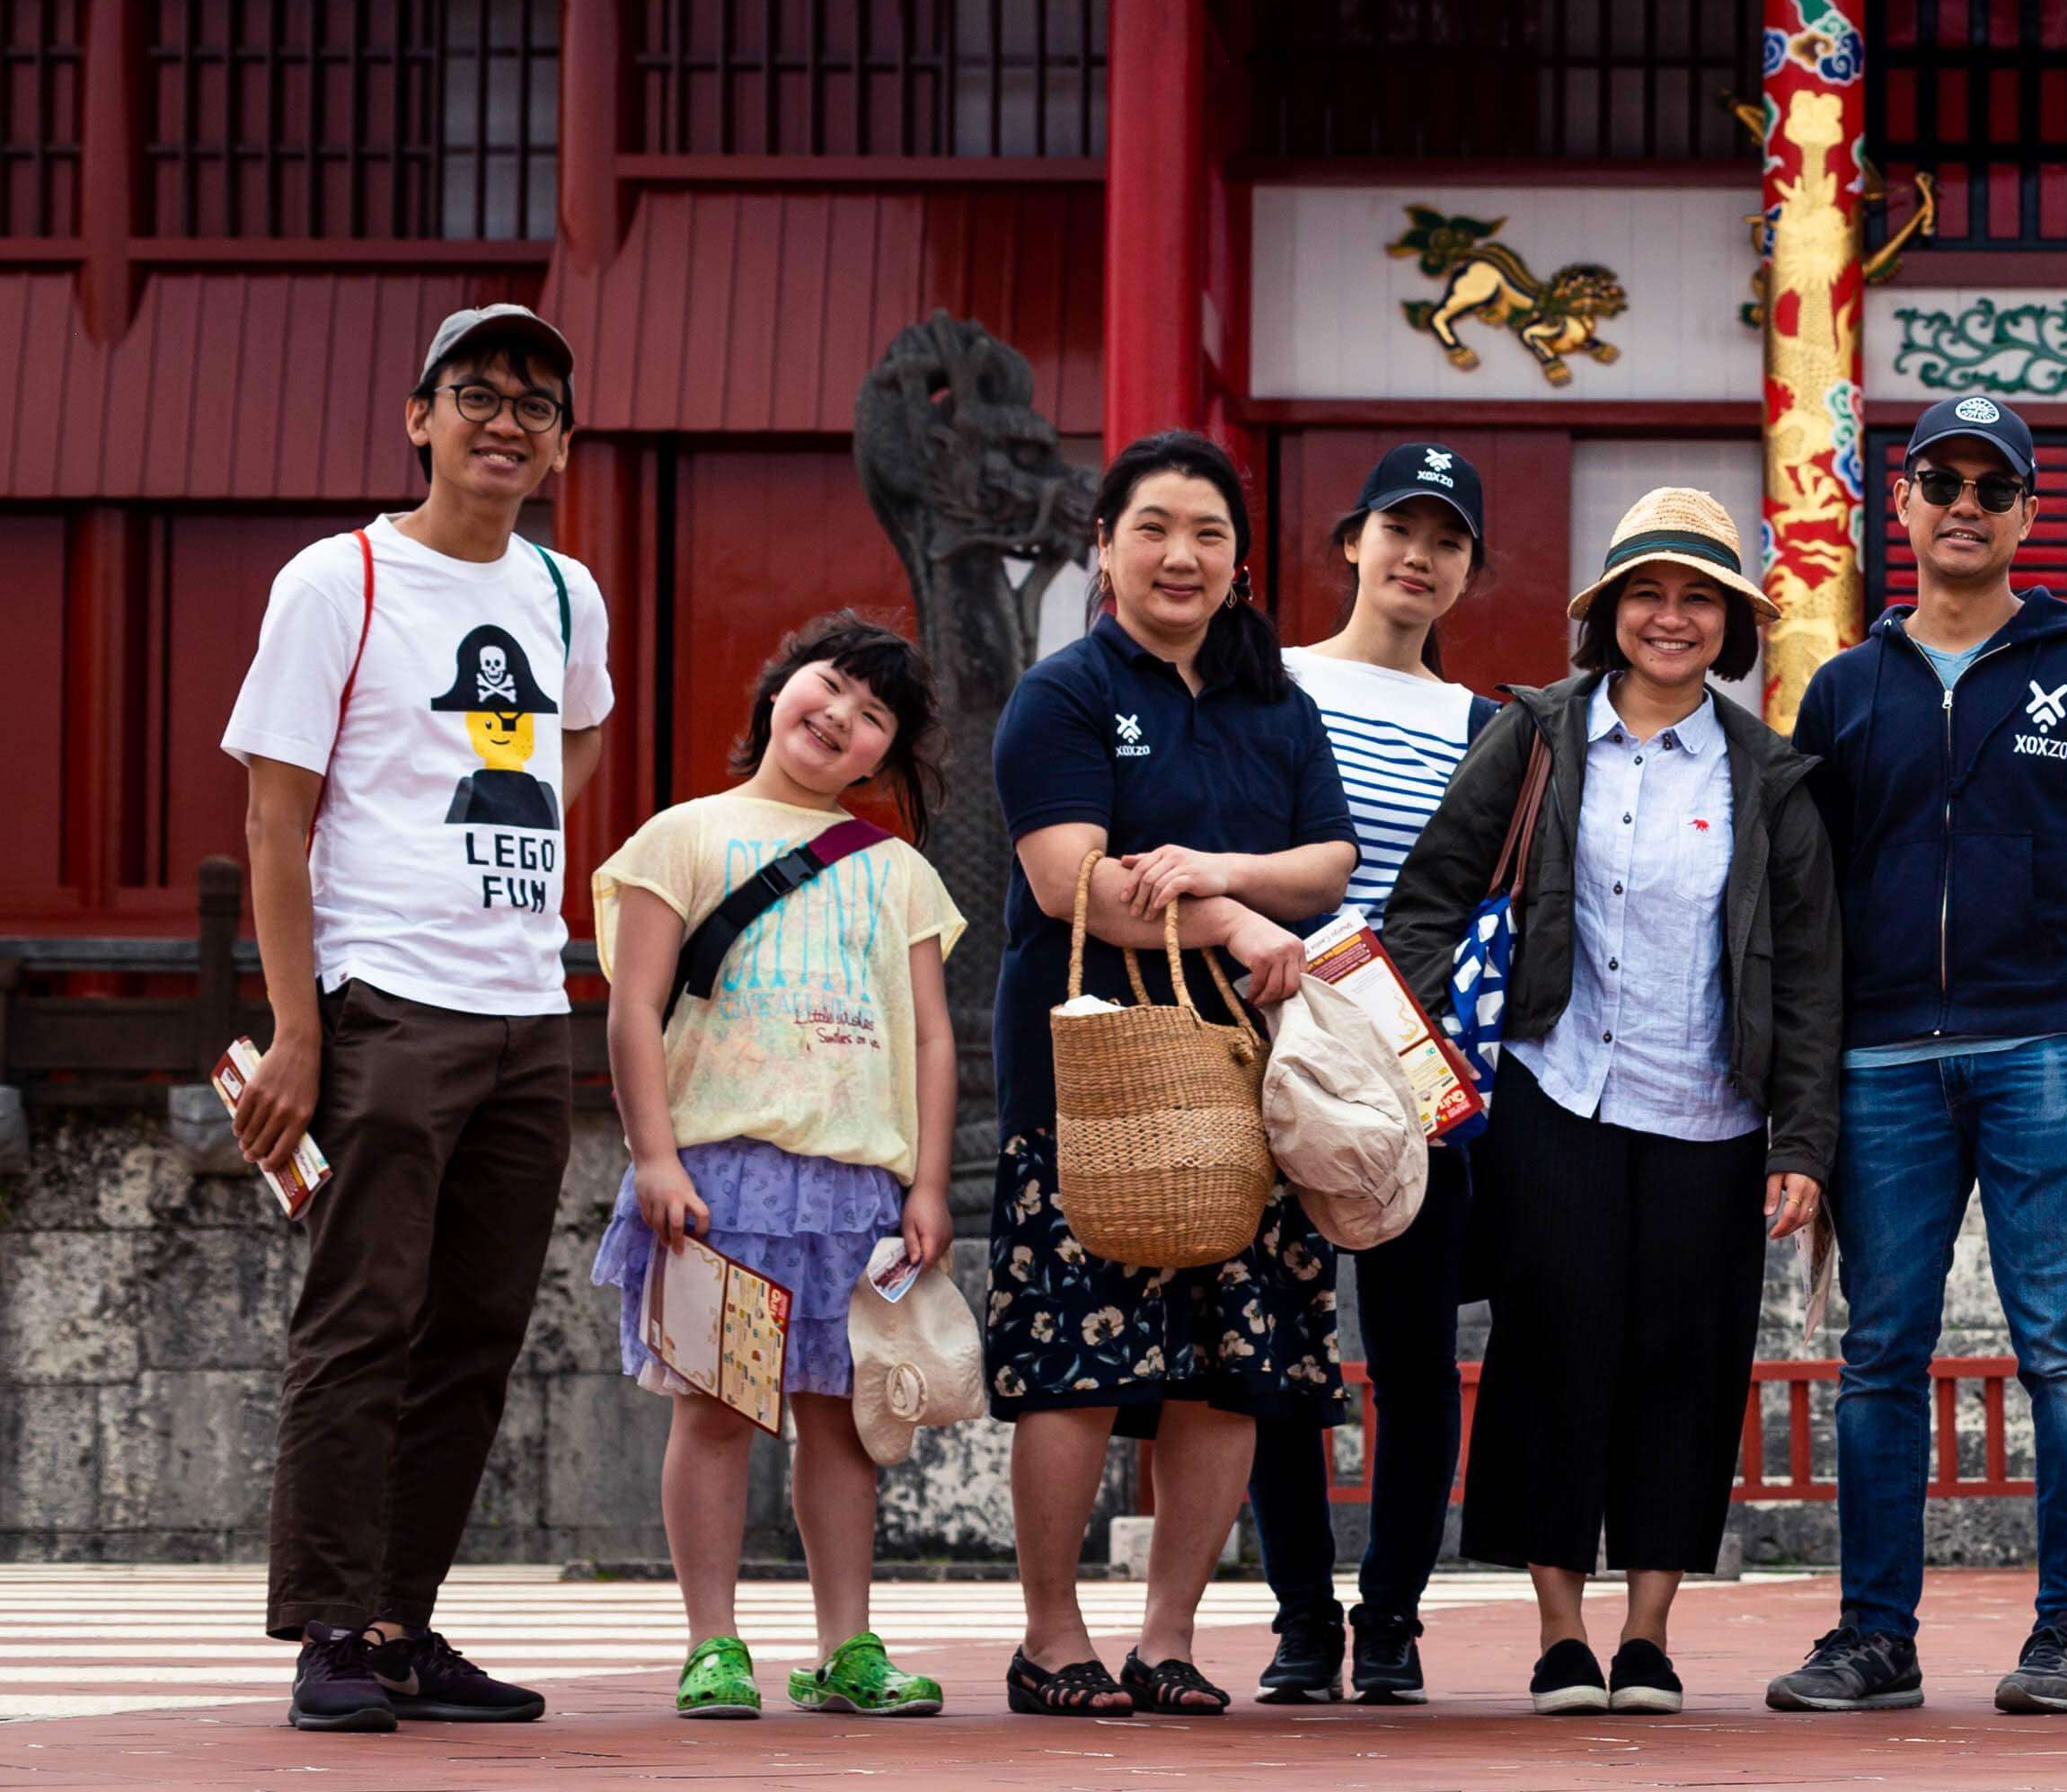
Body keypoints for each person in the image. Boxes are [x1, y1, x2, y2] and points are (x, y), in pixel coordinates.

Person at [1378, 486, 1844, 1717]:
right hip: (1556, 1095)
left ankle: (1646, 1635)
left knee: (1683, 1371)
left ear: (1731, 626)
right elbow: (1427, 894)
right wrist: (1434, 1044)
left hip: (1713, 1116)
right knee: (1550, 1358)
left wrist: (1801, 1138)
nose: (1672, 618)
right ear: (1609, 615)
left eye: (1700, 599)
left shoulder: (1771, 776)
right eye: (1649, 593)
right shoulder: (1537, 735)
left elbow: (1807, 973)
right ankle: (1557, 1634)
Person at [1767, 393, 2067, 1719]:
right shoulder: (1843, 687)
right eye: (1938, 480)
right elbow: (1806, 903)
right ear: (1898, 505)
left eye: (1990, 485)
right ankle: (1871, 1637)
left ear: (2023, 515)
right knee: (1880, 1349)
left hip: (2054, 1050)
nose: (1963, 503)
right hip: (1883, 1062)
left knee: (2065, 1346)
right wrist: (1805, 1094)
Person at [223, 303, 613, 1733]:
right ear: (420, 417)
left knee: (477, 1328)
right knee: (362, 1316)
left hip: (526, 1007)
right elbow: (276, 812)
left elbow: (574, 746)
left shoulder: (569, 595)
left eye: (533, 405)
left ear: (563, 444)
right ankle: (330, 1624)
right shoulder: (342, 579)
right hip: (387, 995)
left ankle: (402, 1621)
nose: (504, 421)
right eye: (476, 394)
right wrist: (300, 1027)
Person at [985, 431, 1357, 1719]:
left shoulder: (1275, 703)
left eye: (1206, 531)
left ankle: (1170, 1637)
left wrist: (1214, 874)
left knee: (1227, 1369)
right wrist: (1241, 928)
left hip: (1250, 1080)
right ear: (1103, 547)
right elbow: (1067, 884)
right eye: (1150, 527)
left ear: (1240, 561)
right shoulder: (1067, 695)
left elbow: (1328, 864)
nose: (1179, 554)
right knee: (1074, 1367)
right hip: (1091, 1075)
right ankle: (1050, 1639)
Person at [592, 612, 966, 1723]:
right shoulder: (685, 834)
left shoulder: (897, 869)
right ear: (777, 689)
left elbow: (933, 1035)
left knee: (841, 1418)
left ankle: (847, 1645)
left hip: (855, 1188)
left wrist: (929, 1182)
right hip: (722, 1179)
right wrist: (654, 1154)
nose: (840, 716)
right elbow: (633, 1005)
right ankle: (714, 1642)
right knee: (714, 1411)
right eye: (830, 686)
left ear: (880, 760)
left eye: (872, 716)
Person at [1246, 443, 1499, 1707]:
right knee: (1276, 1350)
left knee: (1410, 1358)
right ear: (1350, 542)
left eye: (1447, 541)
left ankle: (1390, 1616)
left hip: (1416, 1067)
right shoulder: (1268, 684)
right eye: (1399, 530)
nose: (1419, 557)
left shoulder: (1485, 725)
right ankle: (1299, 1616)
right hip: (1270, 1049)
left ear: (1466, 572)